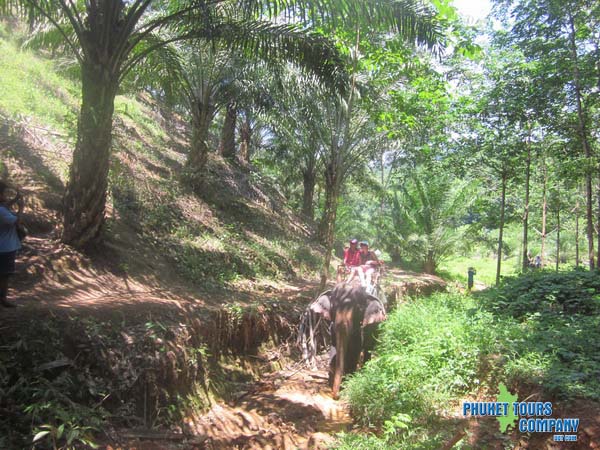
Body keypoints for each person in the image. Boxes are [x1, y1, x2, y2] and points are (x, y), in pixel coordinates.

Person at [0, 181, 24, 308]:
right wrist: (21, 208)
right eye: (3, 193)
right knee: (4, 274)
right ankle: (3, 299)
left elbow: (5, 205)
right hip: (5, 248)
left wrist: (15, 199)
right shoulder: (2, 212)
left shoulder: (2, 208)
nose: (5, 196)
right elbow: (17, 221)